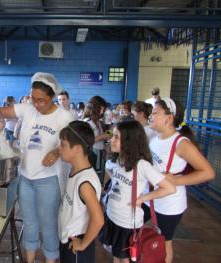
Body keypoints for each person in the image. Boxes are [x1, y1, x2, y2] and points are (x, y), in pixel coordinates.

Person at [0, 72, 74, 263]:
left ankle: (50, 259)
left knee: (48, 225)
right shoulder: (27, 109)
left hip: (48, 180)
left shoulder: (64, 116)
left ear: (52, 97)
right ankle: (29, 260)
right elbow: (0, 111)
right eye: (33, 99)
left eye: (42, 100)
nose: (37, 104)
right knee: (30, 223)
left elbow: (70, 142)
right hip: (25, 177)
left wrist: (56, 152)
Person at [144, 97, 215, 263]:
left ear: (169, 118)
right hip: (151, 199)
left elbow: (208, 172)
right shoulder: (155, 137)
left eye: (155, 113)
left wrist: (176, 180)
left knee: (164, 241)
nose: (151, 116)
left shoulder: (181, 143)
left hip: (169, 205)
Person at [101, 120, 176, 263]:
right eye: (113, 136)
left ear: (129, 141)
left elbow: (169, 188)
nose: (111, 140)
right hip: (112, 216)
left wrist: (141, 199)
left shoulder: (141, 166)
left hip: (128, 223)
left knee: (125, 259)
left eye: (116, 137)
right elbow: (112, 175)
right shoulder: (115, 160)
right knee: (116, 255)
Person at [58, 121, 104, 263]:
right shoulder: (75, 170)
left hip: (76, 246)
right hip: (68, 240)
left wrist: (83, 244)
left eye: (63, 145)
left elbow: (98, 219)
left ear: (78, 148)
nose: (59, 148)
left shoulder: (85, 183)